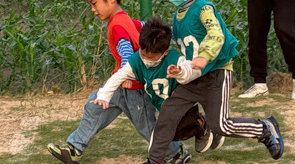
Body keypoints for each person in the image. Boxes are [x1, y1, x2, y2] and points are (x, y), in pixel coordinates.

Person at [125, 0, 284, 164]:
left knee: (221, 125)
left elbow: (216, 33)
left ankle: (264, 129)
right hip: (192, 77)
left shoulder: (204, 9)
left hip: (216, 73)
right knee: (168, 113)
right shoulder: (178, 15)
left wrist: (205, 56)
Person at [47, 0, 187, 164]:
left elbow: (125, 49)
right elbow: (145, 26)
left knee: (147, 127)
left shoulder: (117, 25)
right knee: (94, 106)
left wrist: (125, 72)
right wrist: (171, 30)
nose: (93, 10)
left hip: (134, 88)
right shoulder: (124, 19)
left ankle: (176, 152)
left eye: (94, 3)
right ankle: (74, 148)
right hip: (120, 86)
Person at [92, 17, 215, 155]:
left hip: (183, 104)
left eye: (151, 58)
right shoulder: (136, 61)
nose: (146, 60)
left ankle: (203, 124)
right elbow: (118, 77)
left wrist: (180, 72)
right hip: (164, 107)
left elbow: (192, 71)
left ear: (165, 52)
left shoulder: (174, 59)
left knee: (182, 128)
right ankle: (202, 124)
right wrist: (104, 96)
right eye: (143, 54)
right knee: (172, 134)